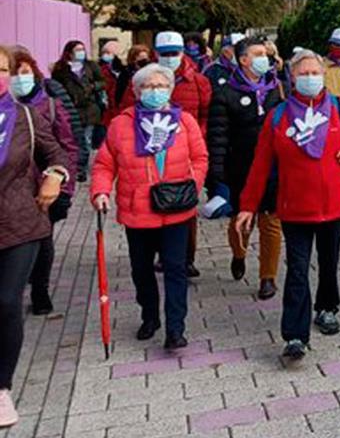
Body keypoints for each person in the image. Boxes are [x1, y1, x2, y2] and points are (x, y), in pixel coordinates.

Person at [236, 49, 340, 363]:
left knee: (328, 261)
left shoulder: (339, 108)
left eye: (315, 72)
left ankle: (326, 308)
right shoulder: (279, 115)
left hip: (335, 205)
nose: (310, 78)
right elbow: (260, 165)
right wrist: (247, 206)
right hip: (295, 207)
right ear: (292, 77)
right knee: (297, 270)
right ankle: (295, 335)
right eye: (304, 73)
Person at [91, 63, 208, 351]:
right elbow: (105, 164)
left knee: (175, 269)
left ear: (170, 89)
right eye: (148, 86)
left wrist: (192, 183)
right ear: (136, 90)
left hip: (176, 208)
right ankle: (150, 316)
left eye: (161, 86)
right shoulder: (121, 124)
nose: (155, 91)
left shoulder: (184, 122)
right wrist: (100, 192)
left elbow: (200, 157)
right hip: (138, 211)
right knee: (141, 270)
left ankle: (175, 328)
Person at [0, 45, 70, 430]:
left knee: (7, 300)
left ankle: (2, 388)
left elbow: (57, 151)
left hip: (19, 223)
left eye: (2, 69)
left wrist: (55, 175)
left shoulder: (24, 117)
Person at [123, 32, 212, 277]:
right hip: (147, 156)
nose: (170, 58)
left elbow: (206, 114)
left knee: (185, 209)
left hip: (184, 152)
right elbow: (126, 114)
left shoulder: (198, 81)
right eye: (165, 54)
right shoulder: (142, 82)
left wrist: (195, 139)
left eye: (175, 53)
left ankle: (186, 258)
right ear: (156, 54)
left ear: (183, 52)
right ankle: (160, 254)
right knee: (152, 206)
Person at [207, 36, 285, 300]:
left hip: (273, 167)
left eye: (267, 53)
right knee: (242, 219)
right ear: (243, 60)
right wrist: (217, 170)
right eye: (259, 53)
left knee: (271, 221)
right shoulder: (225, 93)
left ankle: (268, 277)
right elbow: (218, 136)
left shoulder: (277, 88)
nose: (266, 58)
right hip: (240, 167)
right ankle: (239, 254)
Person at [11, 49, 80, 316]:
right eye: (13, 72)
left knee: (42, 237)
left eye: (24, 72)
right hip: (10, 190)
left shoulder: (49, 104)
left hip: (44, 188)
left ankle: (40, 291)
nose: (18, 78)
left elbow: (67, 146)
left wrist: (65, 184)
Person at [51, 40, 105, 152]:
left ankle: (86, 166)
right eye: (78, 50)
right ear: (69, 53)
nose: (81, 52)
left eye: (82, 49)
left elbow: (102, 82)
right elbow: (55, 86)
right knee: (74, 139)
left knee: (87, 139)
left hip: (90, 109)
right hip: (72, 109)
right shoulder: (61, 69)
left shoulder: (91, 66)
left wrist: (93, 86)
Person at [97, 40, 125, 146]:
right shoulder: (100, 69)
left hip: (116, 105)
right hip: (105, 106)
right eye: (105, 52)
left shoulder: (121, 70)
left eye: (109, 53)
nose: (106, 55)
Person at [115, 45, 152, 110]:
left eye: (146, 58)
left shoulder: (151, 71)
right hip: (130, 106)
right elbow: (119, 93)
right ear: (133, 59)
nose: (144, 60)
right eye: (140, 57)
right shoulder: (125, 73)